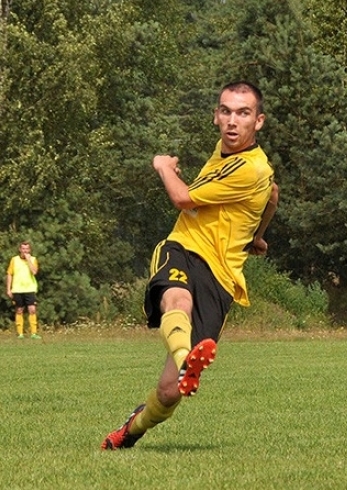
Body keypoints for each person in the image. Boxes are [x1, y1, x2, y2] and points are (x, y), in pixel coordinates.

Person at [101, 81, 279, 450]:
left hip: (221, 277)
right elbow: (273, 198)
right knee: (177, 301)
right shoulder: (228, 151)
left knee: (167, 393)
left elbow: (182, 197)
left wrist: (163, 166)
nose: (232, 121)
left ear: (258, 122)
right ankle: (188, 360)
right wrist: (259, 236)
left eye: (243, 113)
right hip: (183, 247)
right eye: (226, 111)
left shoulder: (252, 170)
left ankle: (129, 431)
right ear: (216, 116)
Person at [6, 241, 41, 339]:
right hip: (17, 289)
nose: (25, 251)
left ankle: (34, 333)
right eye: (23, 249)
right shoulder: (14, 260)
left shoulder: (33, 259)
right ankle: (20, 333)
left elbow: (34, 272)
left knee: (32, 310)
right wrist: (8, 289)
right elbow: (9, 274)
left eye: (27, 249)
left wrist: (28, 260)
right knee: (19, 310)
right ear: (20, 249)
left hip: (30, 288)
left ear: (29, 250)